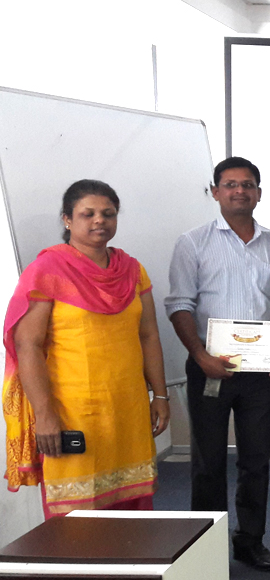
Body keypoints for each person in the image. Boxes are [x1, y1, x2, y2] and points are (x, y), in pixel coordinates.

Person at [2, 180, 169, 517]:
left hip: (128, 408)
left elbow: (149, 335)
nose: (99, 220)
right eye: (87, 214)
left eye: (108, 213)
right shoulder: (47, 270)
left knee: (132, 514)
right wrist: (45, 415)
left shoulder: (132, 270)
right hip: (72, 411)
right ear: (67, 219)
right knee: (77, 519)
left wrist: (161, 396)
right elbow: (27, 345)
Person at [166, 157, 270, 571]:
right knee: (208, 462)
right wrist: (200, 354)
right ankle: (206, 550)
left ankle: (250, 541)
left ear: (259, 192)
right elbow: (179, 304)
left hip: (260, 373)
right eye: (231, 184)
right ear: (215, 191)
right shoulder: (193, 243)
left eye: (248, 184)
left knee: (257, 461)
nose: (240, 191)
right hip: (210, 368)